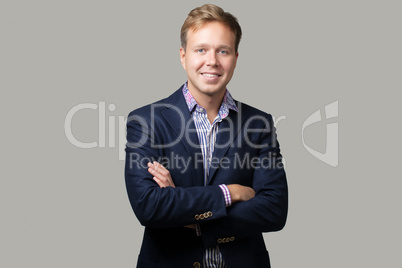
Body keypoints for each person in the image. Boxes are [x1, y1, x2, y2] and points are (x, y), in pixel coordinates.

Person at [125, 4, 288, 267]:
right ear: (183, 55)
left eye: (222, 51)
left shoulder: (259, 124)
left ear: (235, 56)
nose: (212, 61)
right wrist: (230, 193)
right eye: (201, 49)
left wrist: (188, 215)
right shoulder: (146, 121)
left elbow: (274, 210)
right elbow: (149, 206)